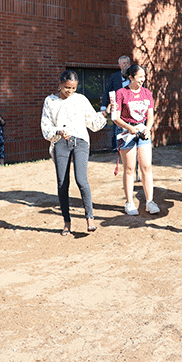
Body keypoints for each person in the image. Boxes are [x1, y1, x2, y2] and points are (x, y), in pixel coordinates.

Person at [41, 70, 108, 236]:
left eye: (73, 88)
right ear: (60, 84)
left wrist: (105, 113)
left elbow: (92, 121)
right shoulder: (50, 101)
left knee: (81, 179)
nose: (69, 91)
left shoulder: (80, 99)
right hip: (60, 143)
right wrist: (59, 131)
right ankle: (67, 222)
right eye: (67, 87)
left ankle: (90, 218)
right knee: (62, 183)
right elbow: (46, 127)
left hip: (80, 141)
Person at [111, 64, 158, 216]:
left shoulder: (147, 93)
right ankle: (129, 202)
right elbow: (116, 118)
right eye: (140, 77)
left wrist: (147, 128)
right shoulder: (121, 93)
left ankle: (150, 201)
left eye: (144, 77)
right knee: (130, 168)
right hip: (127, 132)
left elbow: (150, 116)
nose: (142, 80)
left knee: (146, 167)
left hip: (142, 131)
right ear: (131, 77)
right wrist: (129, 128)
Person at [102, 55, 132, 152]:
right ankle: (117, 147)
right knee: (117, 126)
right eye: (123, 64)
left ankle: (130, 145)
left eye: (127, 63)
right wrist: (103, 107)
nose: (125, 66)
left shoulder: (133, 76)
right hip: (118, 107)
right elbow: (107, 91)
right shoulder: (114, 77)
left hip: (131, 108)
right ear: (119, 65)